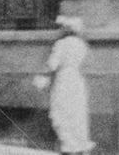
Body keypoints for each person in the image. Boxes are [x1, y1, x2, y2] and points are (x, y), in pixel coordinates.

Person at [37, 15, 95, 155]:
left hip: (64, 80)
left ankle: (69, 147)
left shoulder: (61, 44)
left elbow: (52, 64)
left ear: (66, 30)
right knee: (77, 113)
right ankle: (80, 146)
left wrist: (43, 76)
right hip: (77, 80)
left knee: (62, 112)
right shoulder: (82, 45)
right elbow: (86, 63)